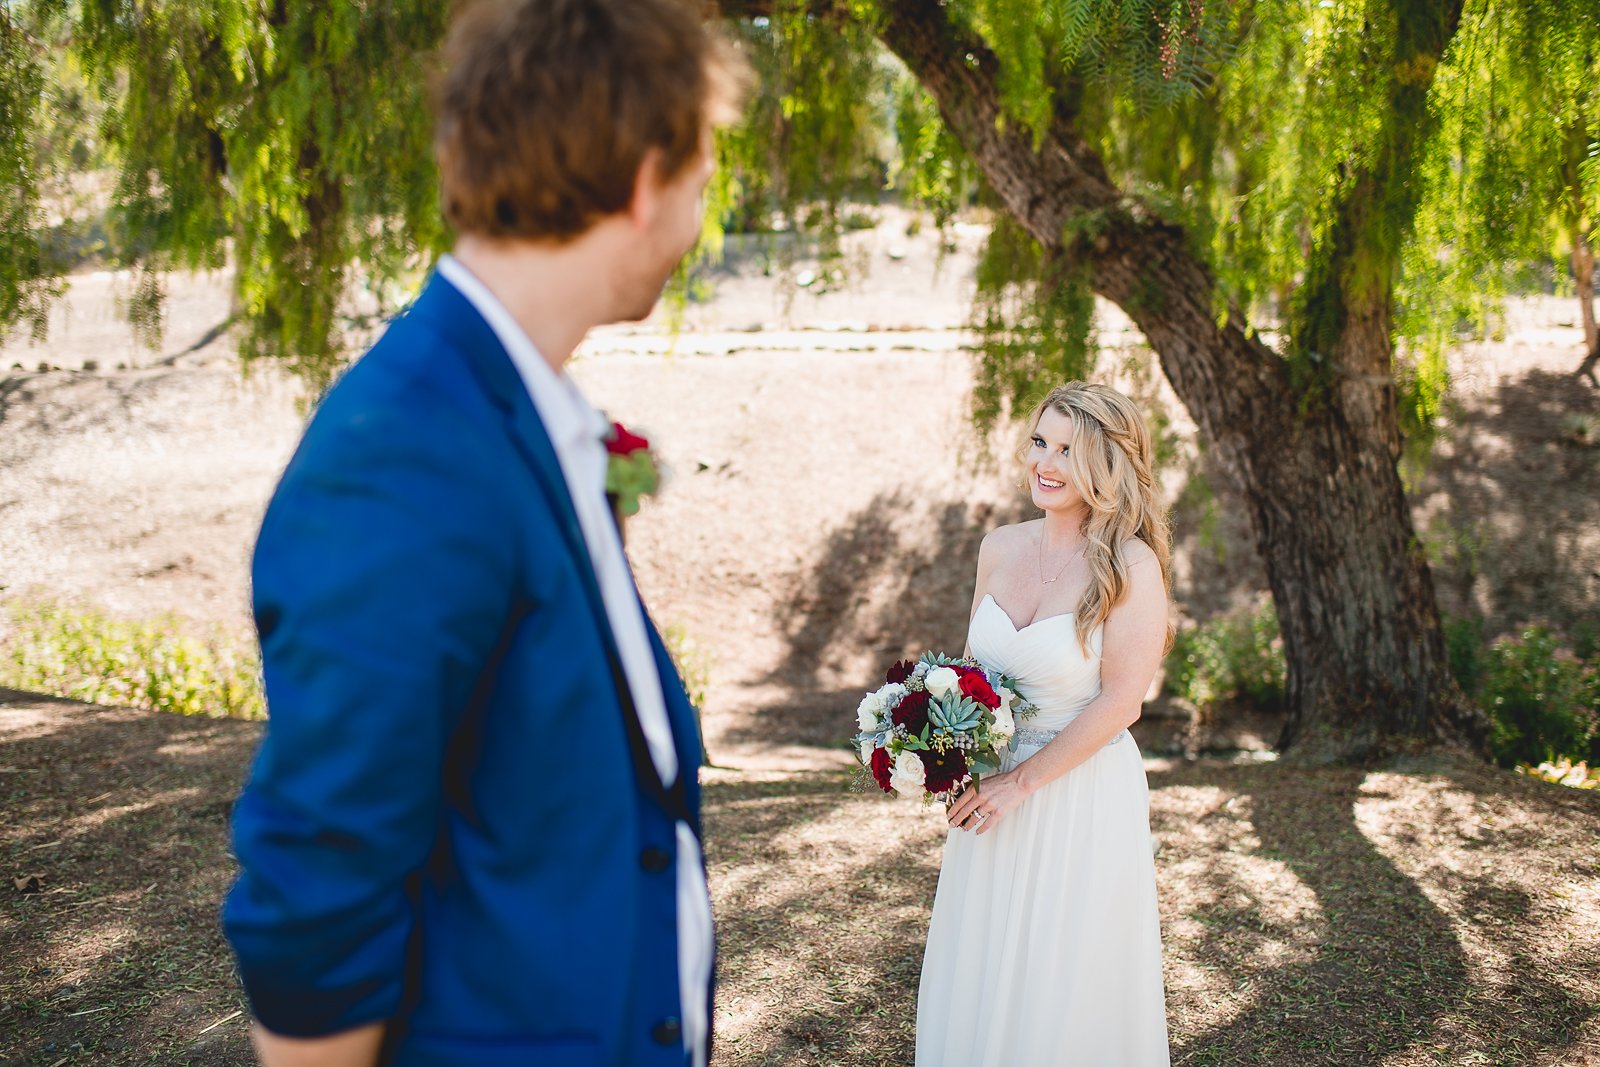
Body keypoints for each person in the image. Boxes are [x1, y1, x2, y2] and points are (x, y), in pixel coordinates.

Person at [221, 2, 746, 1065]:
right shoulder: (405, 451)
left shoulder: (510, 405)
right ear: (648, 180)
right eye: (703, 168)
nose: (701, 205)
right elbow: (318, 892)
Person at [917, 381, 1172, 1065]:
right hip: (990, 797)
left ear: (1107, 464)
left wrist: (1021, 783)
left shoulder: (1130, 566)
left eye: (1068, 449)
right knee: (982, 962)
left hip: (1079, 792)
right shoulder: (998, 546)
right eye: (1040, 442)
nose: (1045, 463)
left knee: (1062, 980)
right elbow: (971, 673)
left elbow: (1122, 700)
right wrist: (940, 750)